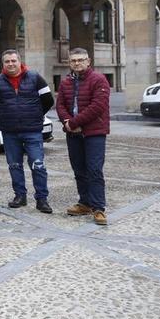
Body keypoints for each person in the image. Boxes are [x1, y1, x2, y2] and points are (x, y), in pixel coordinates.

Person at [0, 50, 54, 214]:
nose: (10, 64)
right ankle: (20, 196)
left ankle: (42, 199)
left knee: (38, 165)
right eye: (7, 62)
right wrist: (7, 116)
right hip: (10, 131)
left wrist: (36, 116)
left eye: (13, 61)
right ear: (3, 64)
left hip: (32, 130)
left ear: (20, 61)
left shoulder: (35, 77)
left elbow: (48, 100)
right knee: (14, 165)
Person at [56, 47, 111, 226]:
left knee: (94, 170)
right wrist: (67, 121)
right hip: (73, 134)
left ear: (88, 61)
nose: (77, 63)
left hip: (94, 133)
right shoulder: (65, 82)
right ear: (69, 63)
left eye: (81, 60)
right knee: (79, 170)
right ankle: (85, 203)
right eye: (73, 60)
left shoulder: (99, 79)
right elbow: (60, 105)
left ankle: (98, 208)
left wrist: (74, 123)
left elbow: (98, 106)